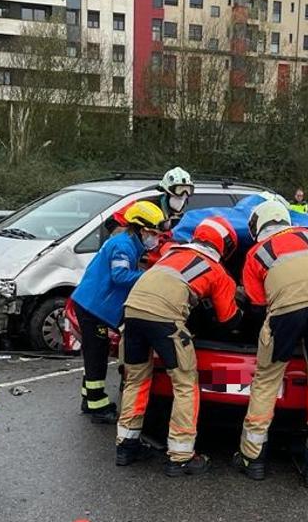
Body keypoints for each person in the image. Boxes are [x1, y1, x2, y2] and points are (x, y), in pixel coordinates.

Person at [116, 215, 241, 476]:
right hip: (165, 321)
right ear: (224, 245)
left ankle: (126, 446)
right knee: (185, 384)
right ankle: (181, 456)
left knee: (136, 380)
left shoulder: (169, 253)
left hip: (132, 314)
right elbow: (228, 319)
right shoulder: (216, 270)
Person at [235, 199, 308, 489]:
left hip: (284, 314)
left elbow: (257, 304)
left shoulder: (256, 253)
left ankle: (252, 458)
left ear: (258, 226)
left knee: (267, 382)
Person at [70, 201, 165, 423]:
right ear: (141, 229)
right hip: (94, 308)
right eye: (153, 233)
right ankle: (96, 406)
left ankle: (89, 398)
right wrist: (152, 277)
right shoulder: (123, 246)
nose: (156, 238)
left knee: (96, 352)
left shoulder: (130, 244)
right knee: (96, 355)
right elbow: (120, 276)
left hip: (93, 305)